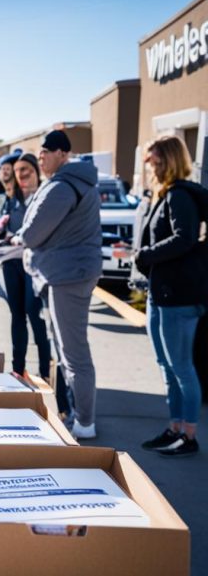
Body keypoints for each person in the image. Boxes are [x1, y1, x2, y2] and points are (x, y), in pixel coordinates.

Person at [14, 130, 102, 439]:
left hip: (68, 275)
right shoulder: (73, 183)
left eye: (46, 152)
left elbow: (33, 233)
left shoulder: (63, 187)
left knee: (73, 352)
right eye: (40, 153)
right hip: (68, 272)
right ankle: (80, 416)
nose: (41, 157)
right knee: (69, 351)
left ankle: (85, 422)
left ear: (63, 154)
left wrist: (18, 238)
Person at [135, 135, 207, 457]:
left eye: (155, 161)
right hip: (161, 294)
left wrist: (146, 254)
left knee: (182, 367)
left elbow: (184, 238)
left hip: (178, 297)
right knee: (166, 365)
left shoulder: (179, 196)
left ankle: (189, 436)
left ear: (169, 160)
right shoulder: (162, 196)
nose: (151, 166)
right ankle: (174, 428)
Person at [0, 152, 52, 380]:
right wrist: (0, 230)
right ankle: (18, 369)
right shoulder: (9, 199)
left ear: (36, 171)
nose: (22, 175)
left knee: (34, 314)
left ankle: (46, 371)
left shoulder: (44, 198)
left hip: (33, 265)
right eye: (18, 172)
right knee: (17, 315)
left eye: (27, 170)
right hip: (10, 263)